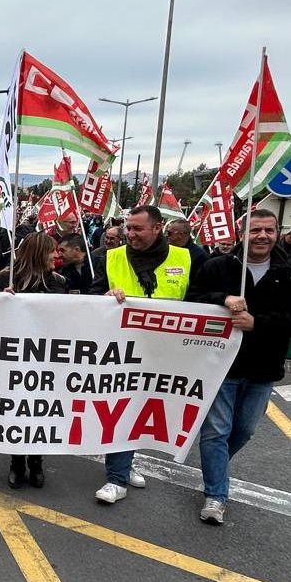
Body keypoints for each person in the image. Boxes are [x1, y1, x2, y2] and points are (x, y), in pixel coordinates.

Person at [187, 208, 291, 525]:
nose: (262, 236)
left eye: (268, 231)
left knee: (243, 430)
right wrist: (223, 298)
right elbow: (192, 300)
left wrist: (257, 323)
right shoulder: (218, 266)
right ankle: (216, 495)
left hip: (264, 367)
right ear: (241, 233)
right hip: (221, 365)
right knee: (216, 431)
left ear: (277, 233)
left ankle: (214, 467)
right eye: (255, 230)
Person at [94, 205, 193, 505]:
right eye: (128, 228)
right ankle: (117, 477)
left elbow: (203, 296)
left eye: (137, 228)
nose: (130, 234)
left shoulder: (187, 257)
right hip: (123, 351)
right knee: (123, 407)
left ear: (157, 227)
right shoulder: (110, 258)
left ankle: (128, 460)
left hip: (166, 351)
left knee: (146, 411)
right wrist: (105, 297)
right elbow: (90, 295)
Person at [0, 233, 68, 489]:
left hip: (45, 361)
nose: (56, 256)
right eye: (51, 251)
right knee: (16, 411)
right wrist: (2, 300)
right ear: (37, 253)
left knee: (39, 413)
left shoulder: (58, 282)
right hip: (13, 360)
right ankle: (16, 463)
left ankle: (36, 462)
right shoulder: (5, 278)